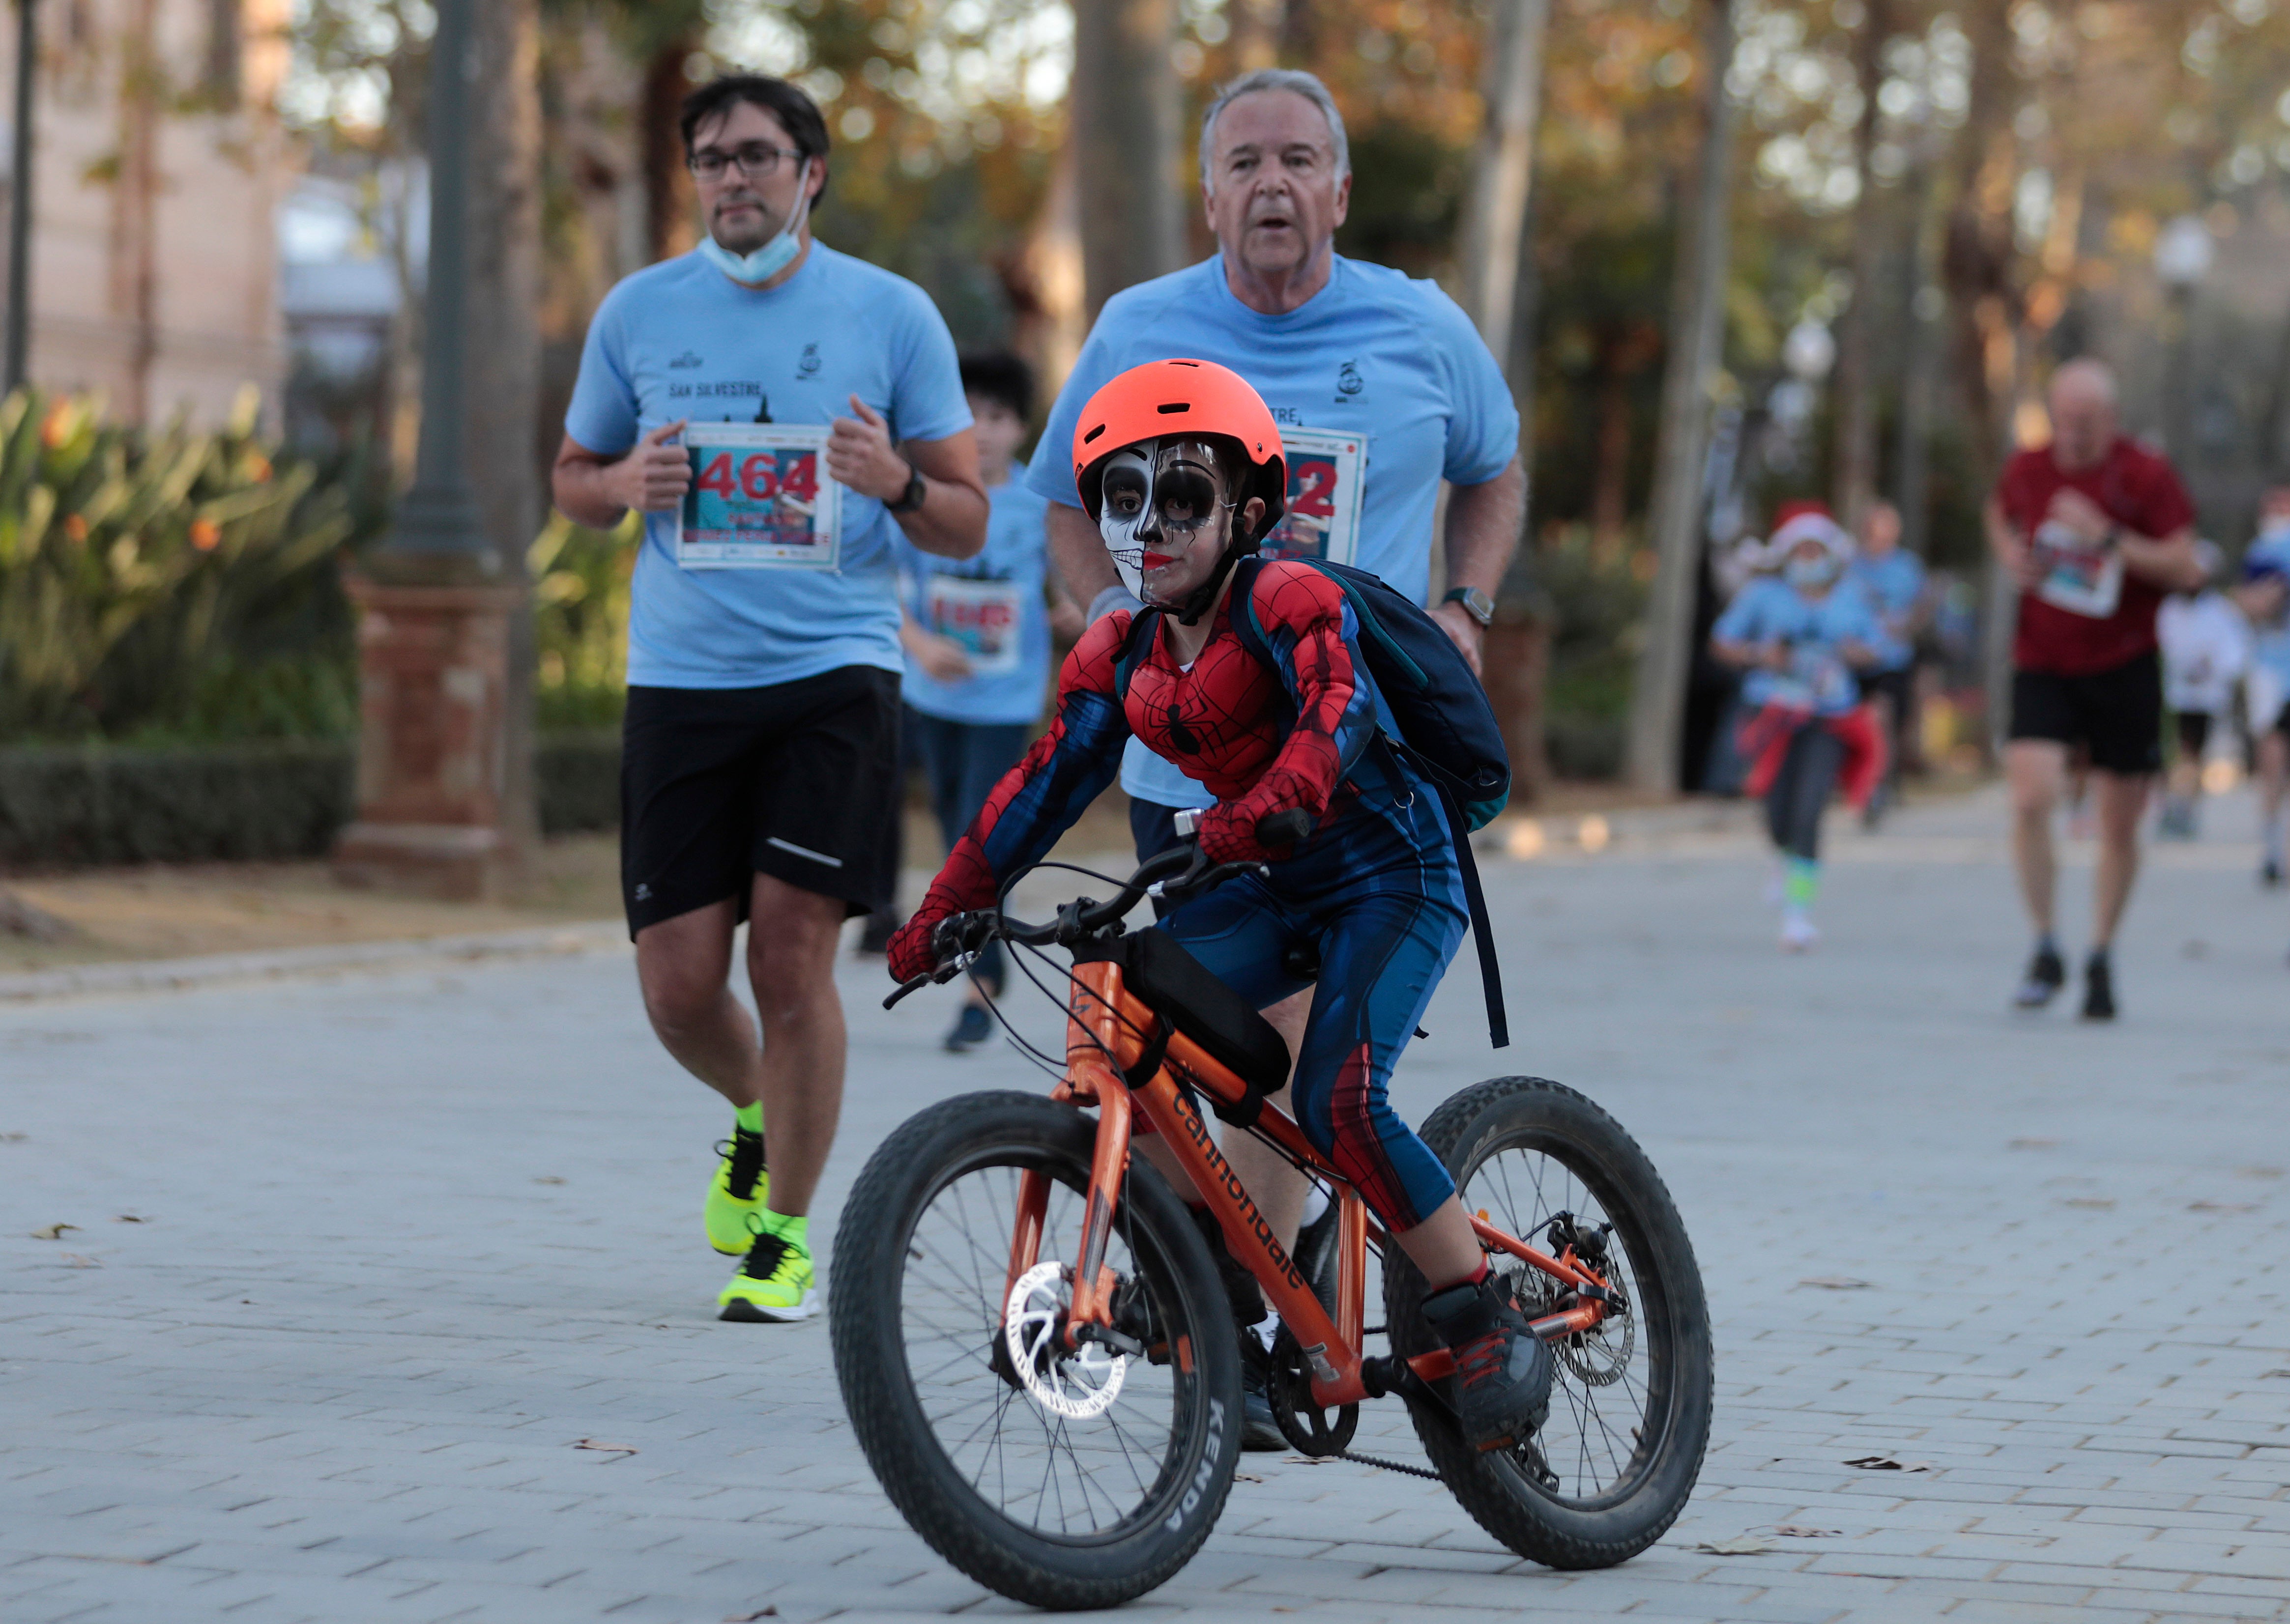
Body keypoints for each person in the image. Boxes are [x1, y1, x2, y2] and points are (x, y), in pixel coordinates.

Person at [887, 360, 1553, 1453]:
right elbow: (1042, 785)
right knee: (1131, 1020)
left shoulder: (1290, 593)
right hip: (1269, 878)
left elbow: (1335, 704)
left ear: (1247, 512)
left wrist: (1278, 798)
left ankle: (1482, 1315)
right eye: (1122, 497)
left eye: (1183, 497)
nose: (1150, 525)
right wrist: (943, 911)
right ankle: (1223, 1282)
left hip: (1397, 877)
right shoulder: (1120, 648)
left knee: (1339, 1093)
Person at [1020, 67, 1525, 1434]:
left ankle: (1295, 1332)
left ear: (1339, 193)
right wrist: (1112, 620)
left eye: (1299, 160)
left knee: (1300, 1075)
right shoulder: (1139, 330)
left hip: (1364, 788)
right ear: (1209, 194)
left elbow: (1496, 467)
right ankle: (1262, 1310)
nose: (1272, 186)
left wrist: (1465, 610)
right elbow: (1060, 504)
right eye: (1244, 162)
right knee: (1194, 1083)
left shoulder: (1420, 330)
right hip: (1182, 786)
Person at [551, 74, 987, 1322]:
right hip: (682, 681)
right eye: (709, 159)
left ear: (811, 175)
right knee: (680, 985)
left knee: (793, 963)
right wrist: (625, 477)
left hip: (834, 678)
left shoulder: (890, 316)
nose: (729, 177)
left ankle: (785, 1239)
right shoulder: (638, 315)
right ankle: (755, 1113)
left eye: (754, 155)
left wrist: (893, 477)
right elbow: (571, 478)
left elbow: (964, 519)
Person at [1986, 359, 2203, 1021]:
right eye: (2062, 419)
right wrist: (2008, 554)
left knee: (2117, 822)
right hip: (2043, 655)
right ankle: (2045, 943)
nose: (2071, 433)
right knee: (2030, 795)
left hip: (2124, 661)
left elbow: (2186, 565)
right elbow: (1996, 512)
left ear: (2110, 419)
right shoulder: (2027, 467)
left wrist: (2105, 535)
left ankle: (2100, 952)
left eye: (2085, 421)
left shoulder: (2145, 473)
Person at [889, 351, 1082, 1051]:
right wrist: (918, 645)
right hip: (930, 695)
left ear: (1022, 428)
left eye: (997, 417)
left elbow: (1066, 577)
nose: (983, 430)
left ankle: (980, 982)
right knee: (952, 835)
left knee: (976, 833)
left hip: (1003, 703)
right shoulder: (928, 496)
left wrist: (1070, 611)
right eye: (968, 414)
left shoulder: (1037, 502)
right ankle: (976, 958)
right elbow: (887, 587)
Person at [1711, 507, 1895, 951]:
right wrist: (1761, 654)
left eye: (1815, 550)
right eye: (1800, 550)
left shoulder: (1852, 596)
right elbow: (1723, 642)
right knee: (1777, 812)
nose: (1808, 557)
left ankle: (1797, 915)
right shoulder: (1763, 595)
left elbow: (1880, 648)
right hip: (1773, 713)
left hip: (1829, 717)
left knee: (1809, 808)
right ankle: (1784, 854)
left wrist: (1858, 654)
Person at [2155, 541, 2245, 839]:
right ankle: (2171, 807)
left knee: (2192, 755)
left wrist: (2211, 668)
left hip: (2204, 698)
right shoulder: (2167, 608)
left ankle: (2185, 811)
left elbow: (2235, 652)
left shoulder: (2220, 611)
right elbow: (2163, 646)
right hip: (2171, 695)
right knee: (2171, 755)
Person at [1847, 499, 1929, 823]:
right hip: (1853, 658)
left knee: (1883, 718)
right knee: (1858, 722)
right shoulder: (1849, 565)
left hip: (1893, 658)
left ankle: (1880, 783)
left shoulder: (1907, 566)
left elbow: (1922, 608)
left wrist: (1906, 625)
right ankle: (1862, 779)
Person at [2236, 486, 2290, 884]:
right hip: (2271, 668)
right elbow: (2250, 603)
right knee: (2271, 758)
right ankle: (2270, 846)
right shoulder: (2261, 552)